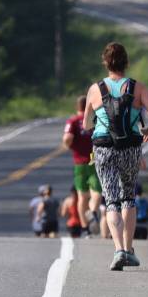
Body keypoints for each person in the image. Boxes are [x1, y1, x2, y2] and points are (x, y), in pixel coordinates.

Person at [83, 41, 148, 270]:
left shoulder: (95, 89)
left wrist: (97, 123)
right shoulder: (138, 88)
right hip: (130, 148)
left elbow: (86, 123)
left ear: (105, 62)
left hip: (104, 148)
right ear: (126, 62)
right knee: (129, 197)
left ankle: (117, 251)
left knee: (111, 199)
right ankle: (128, 249)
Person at [62, 95, 102, 231]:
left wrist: (69, 146)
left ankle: (85, 227)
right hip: (94, 159)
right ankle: (94, 211)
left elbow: (67, 137)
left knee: (82, 196)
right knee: (97, 190)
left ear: (77, 107)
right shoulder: (95, 120)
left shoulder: (73, 121)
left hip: (79, 161)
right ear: (88, 107)